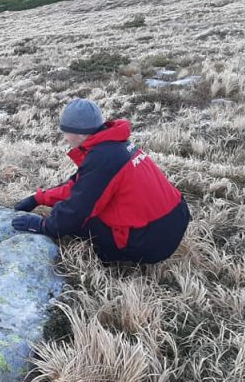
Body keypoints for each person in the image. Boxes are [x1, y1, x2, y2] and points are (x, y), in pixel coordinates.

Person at [11, 98, 190, 264]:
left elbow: (77, 209)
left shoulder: (103, 158)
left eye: (65, 131)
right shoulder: (116, 146)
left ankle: (110, 261)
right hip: (172, 223)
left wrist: (44, 226)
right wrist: (38, 198)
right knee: (92, 206)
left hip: (149, 243)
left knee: (82, 222)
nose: (65, 138)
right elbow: (80, 187)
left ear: (79, 133)